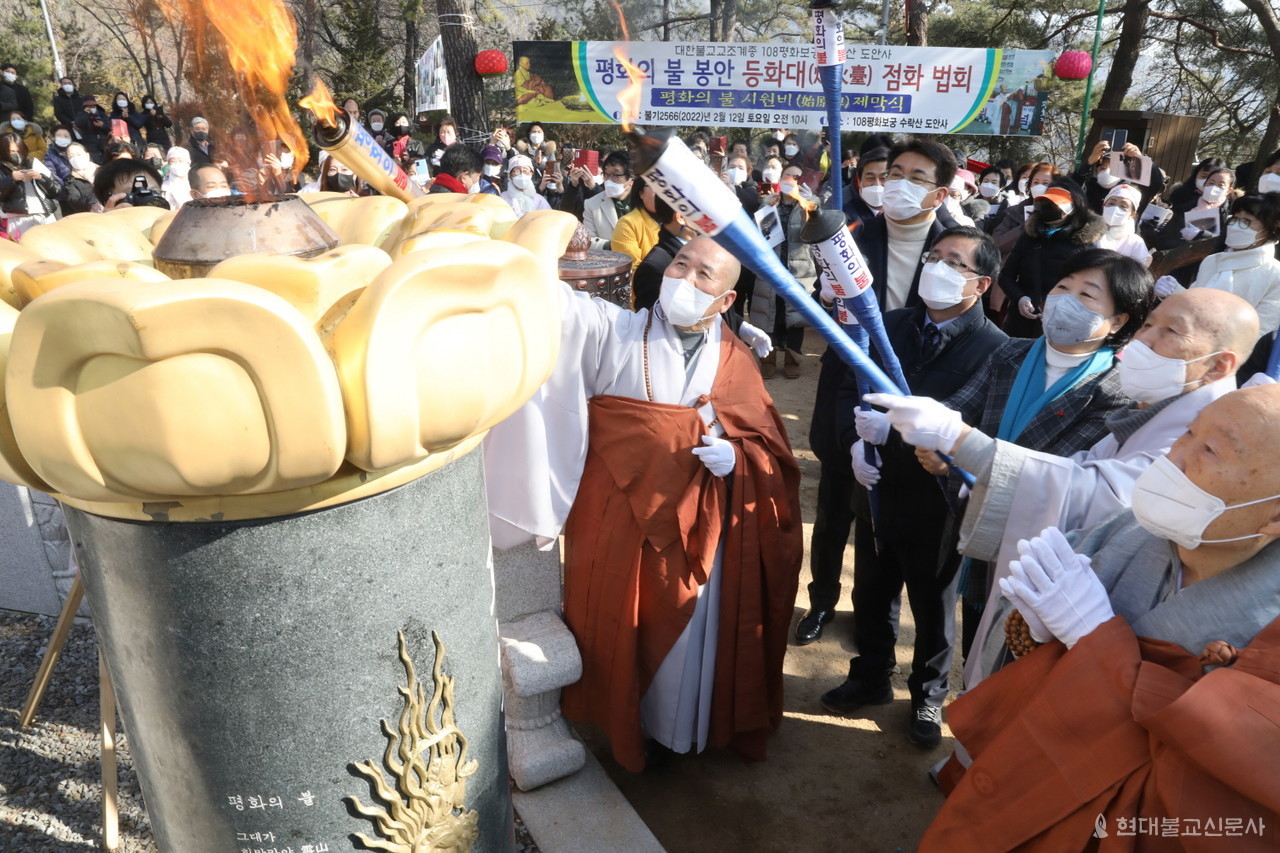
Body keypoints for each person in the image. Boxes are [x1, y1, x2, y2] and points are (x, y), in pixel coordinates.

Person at [484, 235, 803, 772]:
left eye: (705, 275)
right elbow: (555, 303)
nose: (685, 279)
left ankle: (688, 731)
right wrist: (526, 246)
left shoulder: (736, 357)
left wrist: (738, 457)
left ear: (726, 300)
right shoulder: (619, 329)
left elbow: (769, 447)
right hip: (624, 516)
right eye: (681, 263)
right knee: (623, 623)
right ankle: (634, 731)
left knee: (691, 626)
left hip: (702, 522)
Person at [921, 386, 1280, 849]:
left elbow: (1222, 781)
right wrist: (1034, 634)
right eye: (1188, 431)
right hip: (1030, 768)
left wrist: (1095, 646)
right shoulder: (1131, 529)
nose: (1175, 454)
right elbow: (1029, 636)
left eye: (1210, 448)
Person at [899, 287, 1255, 686]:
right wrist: (978, 475)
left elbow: (1107, 493)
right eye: (1150, 324)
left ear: (1219, 366)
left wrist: (965, 443)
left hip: (1111, 645)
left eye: (1172, 331)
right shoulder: (1161, 405)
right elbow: (1080, 468)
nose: (1145, 339)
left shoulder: (1209, 431)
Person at [896, 249, 1149, 656]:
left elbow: (1063, 470)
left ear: (1119, 320)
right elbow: (962, 408)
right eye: (1062, 287)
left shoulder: (1117, 392)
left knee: (1015, 653)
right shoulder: (1010, 353)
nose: (1066, 300)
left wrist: (959, 450)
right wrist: (935, 441)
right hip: (974, 519)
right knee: (974, 629)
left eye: (1087, 295)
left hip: (1042, 548)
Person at [820, 227, 1008, 748]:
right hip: (875, 484)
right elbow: (846, 386)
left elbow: (974, 427)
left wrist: (898, 439)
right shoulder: (891, 324)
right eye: (935, 256)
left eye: (956, 262)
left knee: (932, 602)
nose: (939, 266)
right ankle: (871, 674)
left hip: (937, 501)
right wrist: (853, 442)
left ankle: (927, 694)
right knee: (873, 589)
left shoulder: (996, 349)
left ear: (980, 284)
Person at [794, 139, 957, 645]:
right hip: (848, 393)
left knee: (888, 524)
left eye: (916, 177)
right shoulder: (851, 237)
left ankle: (877, 627)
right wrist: (825, 302)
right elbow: (821, 309)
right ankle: (821, 601)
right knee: (835, 509)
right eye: (894, 173)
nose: (896, 184)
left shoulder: (956, 248)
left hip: (914, 402)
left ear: (940, 193)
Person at [998, 182, 1106, 338]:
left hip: (1058, 326)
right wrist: (1020, 298)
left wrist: (1058, 307)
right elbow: (1005, 277)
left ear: (1074, 208)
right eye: (1045, 203)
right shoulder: (1030, 235)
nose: (1048, 208)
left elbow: (1088, 292)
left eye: (1055, 205)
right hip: (1018, 322)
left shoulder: (1085, 245)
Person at [1174, 192, 1280, 338]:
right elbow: (1195, 304)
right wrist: (1176, 294)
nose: (1236, 226)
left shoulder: (1275, 274)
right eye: (1235, 218)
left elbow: (1263, 331)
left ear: (1270, 230)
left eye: (1247, 221)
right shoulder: (1212, 261)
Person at [752, 162, 814, 379]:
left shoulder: (809, 204)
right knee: (770, 311)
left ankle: (792, 357)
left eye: (797, 177)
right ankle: (767, 357)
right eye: (788, 176)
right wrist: (764, 207)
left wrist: (811, 205)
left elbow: (815, 233)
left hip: (798, 268)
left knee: (795, 316)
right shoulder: (770, 202)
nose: (792, 181)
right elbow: (758, 233)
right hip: (771, 267)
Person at [989, 161, 1060, 255]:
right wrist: (1026, 226)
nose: (1039, 186)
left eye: (1045, 183)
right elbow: (996, 243)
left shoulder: (1063, 214)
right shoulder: (1014, 212)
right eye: (1035, 182)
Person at [0, 133, 59, 238]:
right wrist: (11, 180)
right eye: (12, 151)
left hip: (45, 214)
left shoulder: (34, 163)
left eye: (19, 150)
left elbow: (56, 190)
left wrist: (41, 178)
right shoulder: (2, 169)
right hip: (17, 218)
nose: (17, 154)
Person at [582, 150, 632, 250]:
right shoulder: (592, 204)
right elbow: (587, 240)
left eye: (615, 175)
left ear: (631, 178)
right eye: (606, 174)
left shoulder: (645, 200)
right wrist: (613, 246)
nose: (609, 180)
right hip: (610, 261)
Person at [1095, 182, 1152, 266]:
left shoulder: (1135, 242)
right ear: (1103, 206)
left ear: (1132, 214)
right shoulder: (1089, 231)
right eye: (1111, 203)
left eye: (1123, 206)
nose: (1115, 208)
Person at [610, 179, 661, 271]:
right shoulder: (628, 224)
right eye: (656, 186)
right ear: (641, 193)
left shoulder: (682, 222)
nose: (662, 193)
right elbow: (632, 269)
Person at [841, 146, 889, 233]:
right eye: (870, 178)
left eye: (884, 178)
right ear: (859, 181)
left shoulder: (905, 215)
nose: (877, 185)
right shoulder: (844, 217)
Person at [90, 156, 164, 210]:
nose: (148, 199)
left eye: (153, 191)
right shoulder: (102, 229)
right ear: (108, 201)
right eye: (135, 193)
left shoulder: (171, 223)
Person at [1166, 155, 1231, 214]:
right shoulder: (1179, 194)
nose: (1207, 182)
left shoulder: (1226, 203)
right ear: (1196, 174)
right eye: (1204, 176)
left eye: (1212, 179)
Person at [59, 142, 99, 214]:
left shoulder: (103, 170)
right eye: (71, 156)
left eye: (79, 154)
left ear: (87, 155)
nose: (76, 158)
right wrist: (92, 202)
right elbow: (74, 200)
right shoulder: (70, 181)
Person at [73, 96, 110, 163]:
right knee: (94, 160)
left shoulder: (102, 114)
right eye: (88, 106)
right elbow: (79, 124)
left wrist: (102, 125)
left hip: (103, 141)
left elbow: (109, 127)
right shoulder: (80, 114)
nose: (91, 108)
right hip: (89, 142)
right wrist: (86, 114)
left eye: (93, 106)